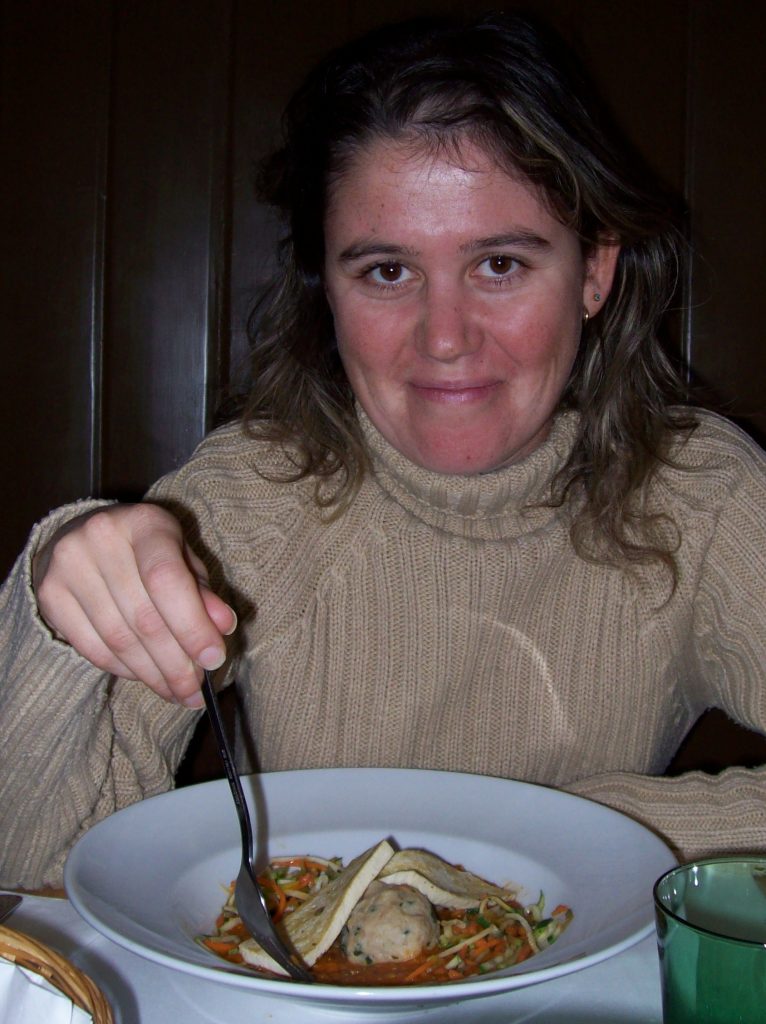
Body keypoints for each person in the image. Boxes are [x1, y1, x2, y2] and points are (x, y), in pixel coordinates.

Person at [1, 13, 764, 891]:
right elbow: (37, 867)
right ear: (326, 288)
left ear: (594, 270)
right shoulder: (246, 502)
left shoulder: (699, 498)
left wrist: (579, 836)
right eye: (387, 272)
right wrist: (60, 612)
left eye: (501, 264)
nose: (445, 338)